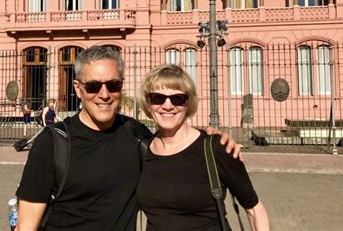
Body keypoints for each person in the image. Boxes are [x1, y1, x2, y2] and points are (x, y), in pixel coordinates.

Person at [15, 46, 241, 231]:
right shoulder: (53, 142)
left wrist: (210, 139)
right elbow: (27, 225)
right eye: (93, 86)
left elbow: (174, 148)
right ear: (78, 88)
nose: (104, 95)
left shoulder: (135, 134)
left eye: (113, 85)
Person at [136, 64, 270, 231]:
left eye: (178, 98)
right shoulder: (142, 148)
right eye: (158, 98)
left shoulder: (216, 147)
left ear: (188, 103)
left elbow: (254, 209)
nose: (168, 106)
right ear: (148, 103)